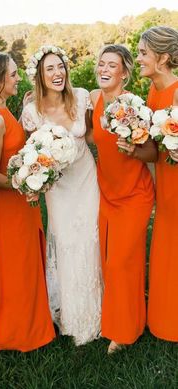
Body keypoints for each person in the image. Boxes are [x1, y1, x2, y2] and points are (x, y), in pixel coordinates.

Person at [21, 45, 102, 346]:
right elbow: (31, 154)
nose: (58, 74)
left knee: (90, 238)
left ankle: (99, 311)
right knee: (66, 242)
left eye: (61, 67)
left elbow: (92, 135)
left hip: (86, 178)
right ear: (39, 77)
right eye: (50, 69)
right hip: (58, 188)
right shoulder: (31, 111)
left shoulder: (81, 97)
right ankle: (71, 315)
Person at [0, 52, 55, 352]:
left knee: (27, 264)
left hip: (22, 202)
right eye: (12, 74)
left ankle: (34, 326)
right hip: (7, 206)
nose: (17, 78)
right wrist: (24, 183)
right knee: (16, 269)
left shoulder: (4, 111)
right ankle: (16, 335)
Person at [89, 44, 157, 353]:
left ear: (124, 73)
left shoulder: (135, 106)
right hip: (107, 194)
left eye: (111, 65)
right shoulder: (93, 99)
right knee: (109, 263)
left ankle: (126, 331)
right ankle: (120, 320)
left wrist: (134, 150)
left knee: (121, 264)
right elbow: (92, 135)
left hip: (135, 195)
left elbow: (153, 152)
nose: (104, 69)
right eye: (101, 63)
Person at [137, 26, 178, 342]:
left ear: (163, 57)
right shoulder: (152, 93)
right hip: (165, 181)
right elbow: (155, 150)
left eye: (142, 53)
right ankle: (164, 319)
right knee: (166, 247)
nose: (138, 59)